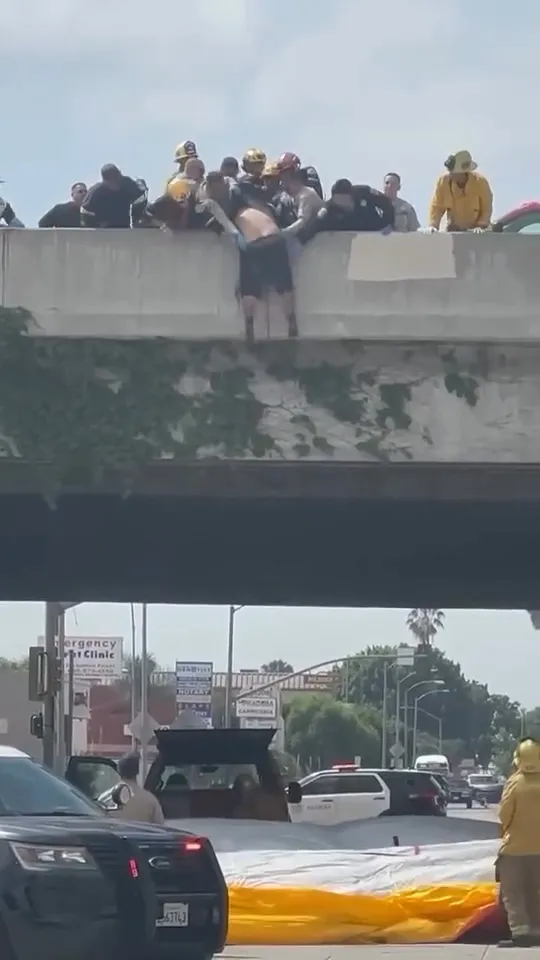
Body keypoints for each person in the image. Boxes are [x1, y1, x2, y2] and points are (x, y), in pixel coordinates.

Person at [201, 171, 298, 341]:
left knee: (249, 286)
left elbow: (224, 225)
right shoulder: (243, 193)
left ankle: (249, 325)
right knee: (284, 285)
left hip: (251, 242)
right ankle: (291, 321)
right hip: (274, 236)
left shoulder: (220, 202)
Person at [497, 738, 540, 947]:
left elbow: (504, 815)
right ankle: (537, 929)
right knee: (535, 890)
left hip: (515, 849)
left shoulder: (514, 782)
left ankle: (520, 932)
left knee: (513, 891)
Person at [427, 150, 493, 232]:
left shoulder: (480, 182)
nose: (451, 174)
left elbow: (487, 208)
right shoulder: (443, 181)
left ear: (464, 172)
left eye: (454, 172)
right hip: (454, 231)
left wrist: (481, 225)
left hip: (477, 232)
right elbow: (437, 207)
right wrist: (433, 225)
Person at [308, 178, 395, 236]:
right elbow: (317, 222)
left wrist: (388, 224)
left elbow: (387, 204)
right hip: (351, 235)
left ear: (350, 195)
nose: (340, 203)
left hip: (375, 230)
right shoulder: (330, 207)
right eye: (337, 200)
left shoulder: (364, 192)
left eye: (343, 199)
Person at [278, 153, 323, 237]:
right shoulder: (293, 198)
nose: (281, 182)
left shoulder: (305, 195)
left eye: (284, 176)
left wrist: (280, 235)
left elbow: (301, 223)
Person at [115, 752, 165, 824]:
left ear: (118, 771)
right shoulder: (150, 800)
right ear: (137, 772)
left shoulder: (105, 799)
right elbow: (161, 828)